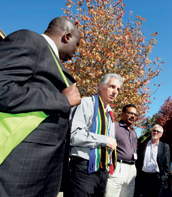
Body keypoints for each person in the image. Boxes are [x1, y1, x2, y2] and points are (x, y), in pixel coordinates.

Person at [0, 17, 81, 197]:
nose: (77, 51)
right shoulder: (28, 40)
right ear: (67, 36)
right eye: (78, 44)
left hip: (42, 174)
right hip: (18, 170)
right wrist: (61, 100)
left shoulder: (52, 60)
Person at [68, 73, 123, 197]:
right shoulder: (86, 103)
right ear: (101, 86)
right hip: (84, 169)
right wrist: (104, 140)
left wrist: (109, 164)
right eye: (112, 87)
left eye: (118, 89)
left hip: (102, 171)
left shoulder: (110, 113)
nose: (115, 92)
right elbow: (73, 135)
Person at [105, 104, 138, 197]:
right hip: (118, 167)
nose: (133, 116)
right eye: (130, 113)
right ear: (122, 113)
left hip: (131, 169)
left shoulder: (133, 132)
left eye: (135, 114)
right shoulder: (114, 127)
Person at [134, 124, 170, 197]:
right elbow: (138, 161)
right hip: (142, 177)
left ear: (161, 134)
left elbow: (167, 164)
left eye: (158, 131)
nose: (155, 132)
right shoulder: (143, 145)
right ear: (151, 132)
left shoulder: (164, 146)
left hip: (156, 178)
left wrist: (163, 178)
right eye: (154, 130)